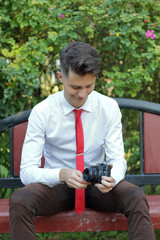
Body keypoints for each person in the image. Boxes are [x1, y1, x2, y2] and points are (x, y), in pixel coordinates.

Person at [9, 41, 155, 240]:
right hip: (57, 188)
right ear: (61, 77)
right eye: (75, 87)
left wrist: (113, 179)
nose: (82, 94)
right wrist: (62, 174)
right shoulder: (43, 112)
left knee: (135, 197)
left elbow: (118, 160)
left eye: (89, 86)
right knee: (20, 200)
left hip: (97, 187)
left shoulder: (108, 107)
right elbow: (26, 172)